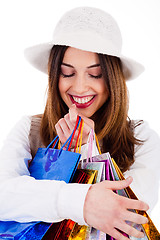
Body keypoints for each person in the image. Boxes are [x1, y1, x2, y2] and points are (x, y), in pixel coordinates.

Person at [0, 6, 160, 240]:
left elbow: (132, 217)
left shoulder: (141, 137)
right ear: (55, 76)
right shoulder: (29, 129)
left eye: (95, 74)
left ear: (114, 78)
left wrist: (86, 154)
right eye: (67, 73)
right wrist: (81, 201)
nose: (80, 87)